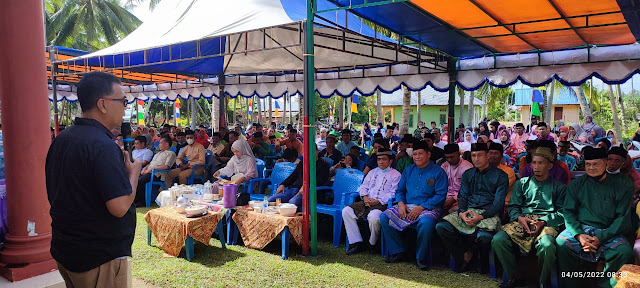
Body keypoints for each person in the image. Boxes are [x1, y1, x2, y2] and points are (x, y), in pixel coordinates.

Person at [45, 72, 141, 287]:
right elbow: (119, 207)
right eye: (123, 101)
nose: (126, 108)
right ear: (103, 104)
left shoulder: (63, 138)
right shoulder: (102, 146)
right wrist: (133, 174)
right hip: (99, 257)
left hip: (68, 247)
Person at [556, 146, 635, 288]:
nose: (591, 168)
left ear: (606, 164)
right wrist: (579, 235)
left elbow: (622, 218)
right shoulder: (576, 184)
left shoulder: (622, 184)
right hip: (582, 229)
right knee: (562, 243)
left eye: (596, 164)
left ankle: (606, 285)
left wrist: (600, 238)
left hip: (609, 231)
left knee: (624, 252)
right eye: (588, 164)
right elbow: (568, 212)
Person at [492, 147, 567, 288]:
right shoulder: (522, 183)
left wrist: (543, 221)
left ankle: (541, 281)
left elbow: (563, 212)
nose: (536, 167)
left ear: (549, 165)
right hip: (523, 220)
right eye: (534, 163)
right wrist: (520, 218)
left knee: (547, 246)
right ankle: (514, 278)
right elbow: (513, 206)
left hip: (546, 222)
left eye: (541, 163)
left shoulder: (559, 188)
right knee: (498, 240)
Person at [436, 143, 509, 273]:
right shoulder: (468, 174)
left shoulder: (501, 176)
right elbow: (462, 197)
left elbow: (498, 204)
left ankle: (482, 262)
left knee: (484, 237)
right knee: (442, 227)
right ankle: (465, 253)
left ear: (487, 156)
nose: (476, 159)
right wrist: (462, 213)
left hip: (489, 214)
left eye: (480, 155)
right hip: (468, 211)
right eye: (474, 155)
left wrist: (481, 216)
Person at [380, 141, 447, 270]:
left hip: (429, 208)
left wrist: (421, 207)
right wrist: (400, 204)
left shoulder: (438, 172)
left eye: (420, 154)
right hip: (407, 205)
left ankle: (420, 258)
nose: (417, 157)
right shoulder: (408, 170)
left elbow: (440, 196)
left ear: (428, 154)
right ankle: (399, 251)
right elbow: (400, 191)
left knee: (426, 224)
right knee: (384, 217)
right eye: (415, 154)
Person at [343, 149, 400, 255]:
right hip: (367, 201)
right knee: (346, 211)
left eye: (384, 159)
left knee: (373, 217)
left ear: (390, 161)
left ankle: (372, 244)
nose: (381, 162)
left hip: (383, 204)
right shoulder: (372, 172)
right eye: (379, 159)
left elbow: (394, 193)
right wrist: (365, 197)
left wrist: (377, 201)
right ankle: (357, 242)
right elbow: (363, 186)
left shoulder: (396, 175)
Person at [136, 135, 177, 206]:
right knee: (135, 179)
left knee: (140, 181)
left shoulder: (171, 154)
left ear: (167, 144)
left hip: (158, 174)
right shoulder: (158, 153)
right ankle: (135, 200)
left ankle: (142, 201)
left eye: (161, 143)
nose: (159, 145)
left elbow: (166, 166)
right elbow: (150, 164)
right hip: (149, 172)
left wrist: (153, 169)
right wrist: (145, 169)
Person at [441, 144, 473, 214]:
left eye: (452, 157)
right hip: (445, 198)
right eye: (447, 157)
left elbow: (469, 190)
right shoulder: (444, 166)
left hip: (462, 199)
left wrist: (453, 199)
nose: (449, 160)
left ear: (458, 154)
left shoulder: (467, 168)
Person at [488, 142, 517, 213]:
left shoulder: (508, 171)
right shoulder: (483, 170)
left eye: (495, 153)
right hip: (485, 204)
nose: (492, 155)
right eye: (490, 153)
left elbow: (497, 191)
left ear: (501, 156)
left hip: (504, 206)